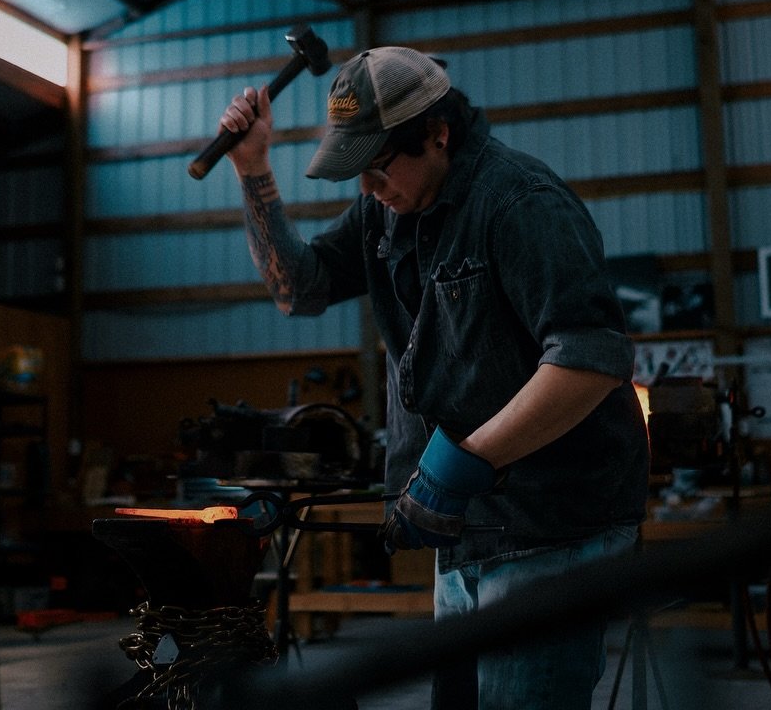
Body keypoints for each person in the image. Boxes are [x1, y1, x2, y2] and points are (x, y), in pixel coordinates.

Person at [218, 46, 650, 709]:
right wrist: (253, 171)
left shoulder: (519, 202)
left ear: (439, 134)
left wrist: (463, 464)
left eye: (378, 168)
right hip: (468, 526)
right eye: (356, 173)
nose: (368, 189)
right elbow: (297, 290)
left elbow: (589, 362)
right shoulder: (387, 210)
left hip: (549, 524)